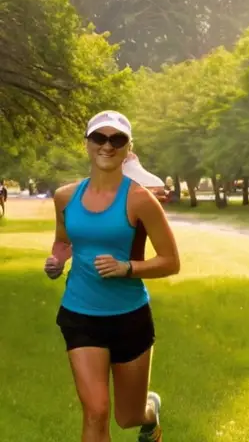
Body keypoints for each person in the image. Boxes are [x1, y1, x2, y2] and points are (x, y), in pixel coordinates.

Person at [43, 110, 180, 442]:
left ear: (128, 148)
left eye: (117, 139)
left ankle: (149, 413)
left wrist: (127, 268)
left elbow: (171, 261)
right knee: (96, 412)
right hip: (79, 314)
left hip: (129, 317)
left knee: (127, 417)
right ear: (87, 143)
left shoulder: (141, 200)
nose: (107, 145)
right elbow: (64, 241)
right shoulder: (65, 197)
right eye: (99, 138)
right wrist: (57, 261)